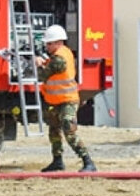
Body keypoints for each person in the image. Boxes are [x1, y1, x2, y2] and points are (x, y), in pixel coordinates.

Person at [35, 24, 97, 173]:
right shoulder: (61, 55)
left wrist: (38, 65)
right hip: (56, 101)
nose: (47, 46)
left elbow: (43, 75)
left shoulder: (59, 58)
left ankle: (88, 162)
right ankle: (57, 161)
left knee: (69, 132)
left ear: (59, 42)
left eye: (49, 43)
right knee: (54, 132)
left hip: (67, 101)